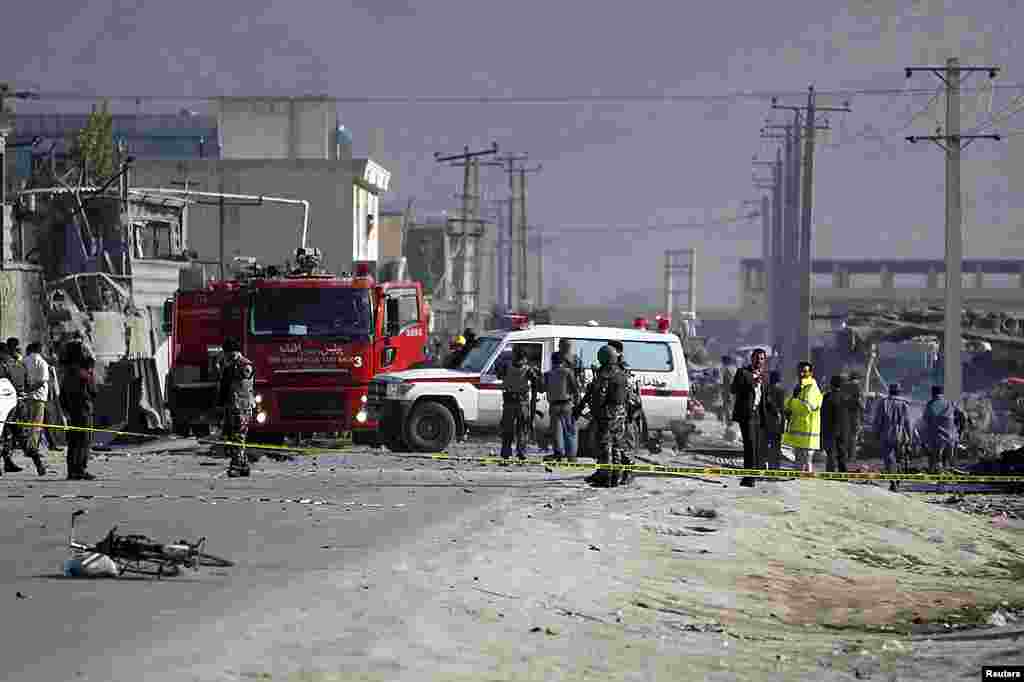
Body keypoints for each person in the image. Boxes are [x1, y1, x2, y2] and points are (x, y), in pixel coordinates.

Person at [574, 344, 628, 487]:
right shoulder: (620, 373)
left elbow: (599, 397)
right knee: (616, 445)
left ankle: (606, 477)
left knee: (605, 446)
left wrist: (592, 410)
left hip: (608, 415)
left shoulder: (606, 375)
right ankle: (615, 476)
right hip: (619, 413)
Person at [730, 348, 769, 487]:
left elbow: (765, 397)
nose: (759, 361)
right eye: (757, 358)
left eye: (762, 358)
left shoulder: (765, 375)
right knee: (750, 445)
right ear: (751, 359)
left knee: (757, 446)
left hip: (759, 414)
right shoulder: (743, 372)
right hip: (746, 415)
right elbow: (733, 389)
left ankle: (754, 474)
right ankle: (749, 478)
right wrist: (752, 382)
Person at [218, 337, 256, 478]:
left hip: (241, 407)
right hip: (233, 406)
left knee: (238, 437)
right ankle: (244, 465)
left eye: (228, 353)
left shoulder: (244, 365)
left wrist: (228, 367)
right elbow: (224, 387)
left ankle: (236, 466)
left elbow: (243, 377)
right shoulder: (230, 365)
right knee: (234, 437)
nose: (226, 356)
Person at [497, 345, 539, 464]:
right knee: (522, 429)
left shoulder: (506, 366)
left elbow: (499, 375)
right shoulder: (528, 369)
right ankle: (521, 452)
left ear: (514, 354)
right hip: (522, 403)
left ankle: (506, 452)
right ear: (525, 356)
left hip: (509, 402)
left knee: (507, 429)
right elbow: (537, 383)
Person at [60, 353, 98, 480]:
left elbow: (62, 398)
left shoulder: (67, 377)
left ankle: (71, 471)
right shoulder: (86, 376)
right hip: (84, 413)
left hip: (71, 414)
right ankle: (81, 470)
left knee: (73, 443)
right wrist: (92, 376)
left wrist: (66, 411)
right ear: (90, 366)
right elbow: (94, 392)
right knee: (84, 442)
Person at [783, 361, 823, 474]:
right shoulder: (799, 386)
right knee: (799, 463)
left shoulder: (812, 387)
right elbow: (788, 403)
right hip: (800, 434)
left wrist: (792, 402)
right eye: (800, 371)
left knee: (806, 462)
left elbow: (805, 407)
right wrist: (790, 403)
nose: (801, 374)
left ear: (811, 373)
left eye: (805, 372)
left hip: (808, 434)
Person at [872, 383, 913, 491]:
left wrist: (875, 434)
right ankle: (897, 481)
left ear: (889, 391)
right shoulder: (904, 404)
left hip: (886, 434)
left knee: (889, 460)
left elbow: (878, 421)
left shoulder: (883, 403)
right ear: (899, 392)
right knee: (899, 460)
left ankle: (893, 482)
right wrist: (910, 437)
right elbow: (908, 423)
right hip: (900, 435)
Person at [543, 350, 580, 462]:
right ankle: (571, 457)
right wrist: (577, 404)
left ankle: (558, 453)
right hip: (566, 404)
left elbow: (543, 388)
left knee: (556, 431)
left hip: (554, 405)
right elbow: (575, 389)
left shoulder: (548, 374)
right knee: (570, 430)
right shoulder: (568, 372)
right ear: (563, 361)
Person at [21, 342, 49, 476]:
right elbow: (42, 380)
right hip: (38, 398)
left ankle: (30, 446)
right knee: (36, 426)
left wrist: (25, 391)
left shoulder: (24, 360)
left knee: (26, 424)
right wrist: (30, 389)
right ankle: (32, 448)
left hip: (26, 398)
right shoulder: (41, 362)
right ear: (39, 349)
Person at [922, 385, 963, 473]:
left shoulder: (930, 404)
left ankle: (938, 473)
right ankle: (947, 473)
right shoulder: (950, 403)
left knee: (936, 459)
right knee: (950, 460)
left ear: (933, 393)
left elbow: (925, 419)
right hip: (950, 436)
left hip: (936, 437)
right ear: (942, 393)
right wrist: (959, 430)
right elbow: (962, 415)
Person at [821, 375, 853, 473]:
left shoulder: (827, 397)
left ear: (831, 385)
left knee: (831, 452)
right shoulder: (846, 398)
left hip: (830, 429)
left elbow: (823, 414)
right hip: (844, 429)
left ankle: (830, 473)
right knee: (842, 452)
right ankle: (843, 473)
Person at [761, 370, 787, 470]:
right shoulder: (781, 391)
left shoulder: (765, 389)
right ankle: (774, 468)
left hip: (765, 423)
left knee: (764, 446)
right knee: (775, 448)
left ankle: (762, 466)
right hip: (776, 424)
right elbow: (782, 409)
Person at [842, 371, 866, 462]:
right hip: (854, 415)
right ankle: (851, 457)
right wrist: (863, 409)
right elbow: (859, 401)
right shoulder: (857, 386)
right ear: (857, 379)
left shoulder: (844, 386)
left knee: (846, 436)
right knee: (853, 437)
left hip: (845, 414)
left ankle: (844, 455)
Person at [719, 356, 736, 423]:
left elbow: (721, 380)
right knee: (730, 404)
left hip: (727, 388)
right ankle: (729, 418)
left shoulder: (723, 368)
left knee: (727, 404)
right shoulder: (733, 368)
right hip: (731, 388)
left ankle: (728, 418)